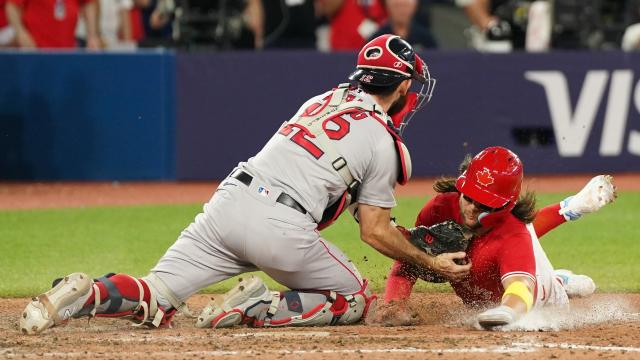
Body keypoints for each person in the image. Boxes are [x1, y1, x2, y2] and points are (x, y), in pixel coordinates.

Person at [19, 34, 465, 335]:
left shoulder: (323, 99)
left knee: (157, 297)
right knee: (355, 297)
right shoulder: (384, 142)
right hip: (281, 227)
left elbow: (335, 184)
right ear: (402, 82)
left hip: (229, 203)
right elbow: (374, 231)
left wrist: (405, 239)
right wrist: (430, 260)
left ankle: (84, 292)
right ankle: (262, 308)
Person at [383, 146, 616, 328]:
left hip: (543, 298)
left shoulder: (514, 234)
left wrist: (507, 311)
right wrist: (395, 303)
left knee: (519, 235)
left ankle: (559, 282)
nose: (471, 208)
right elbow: (409, 257)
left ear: (505, 205)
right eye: (468, 197)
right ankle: (571, 208)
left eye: (483, 203)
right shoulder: (439, 209)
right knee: (506, 234)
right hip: (502, 249)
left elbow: (520, 288)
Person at [5, 0, 100, 49]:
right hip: (35, 49)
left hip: (67, 49)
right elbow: (12, 6)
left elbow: (89, 3)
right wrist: (21, 33)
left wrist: (92, 35)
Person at [370, 0, 438, 49]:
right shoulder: (376, 39)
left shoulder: (425, 38)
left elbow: (439, 60)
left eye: (405, 6)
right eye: (397, 6)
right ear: (388, 7)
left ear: (414, 8)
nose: (401, 11)